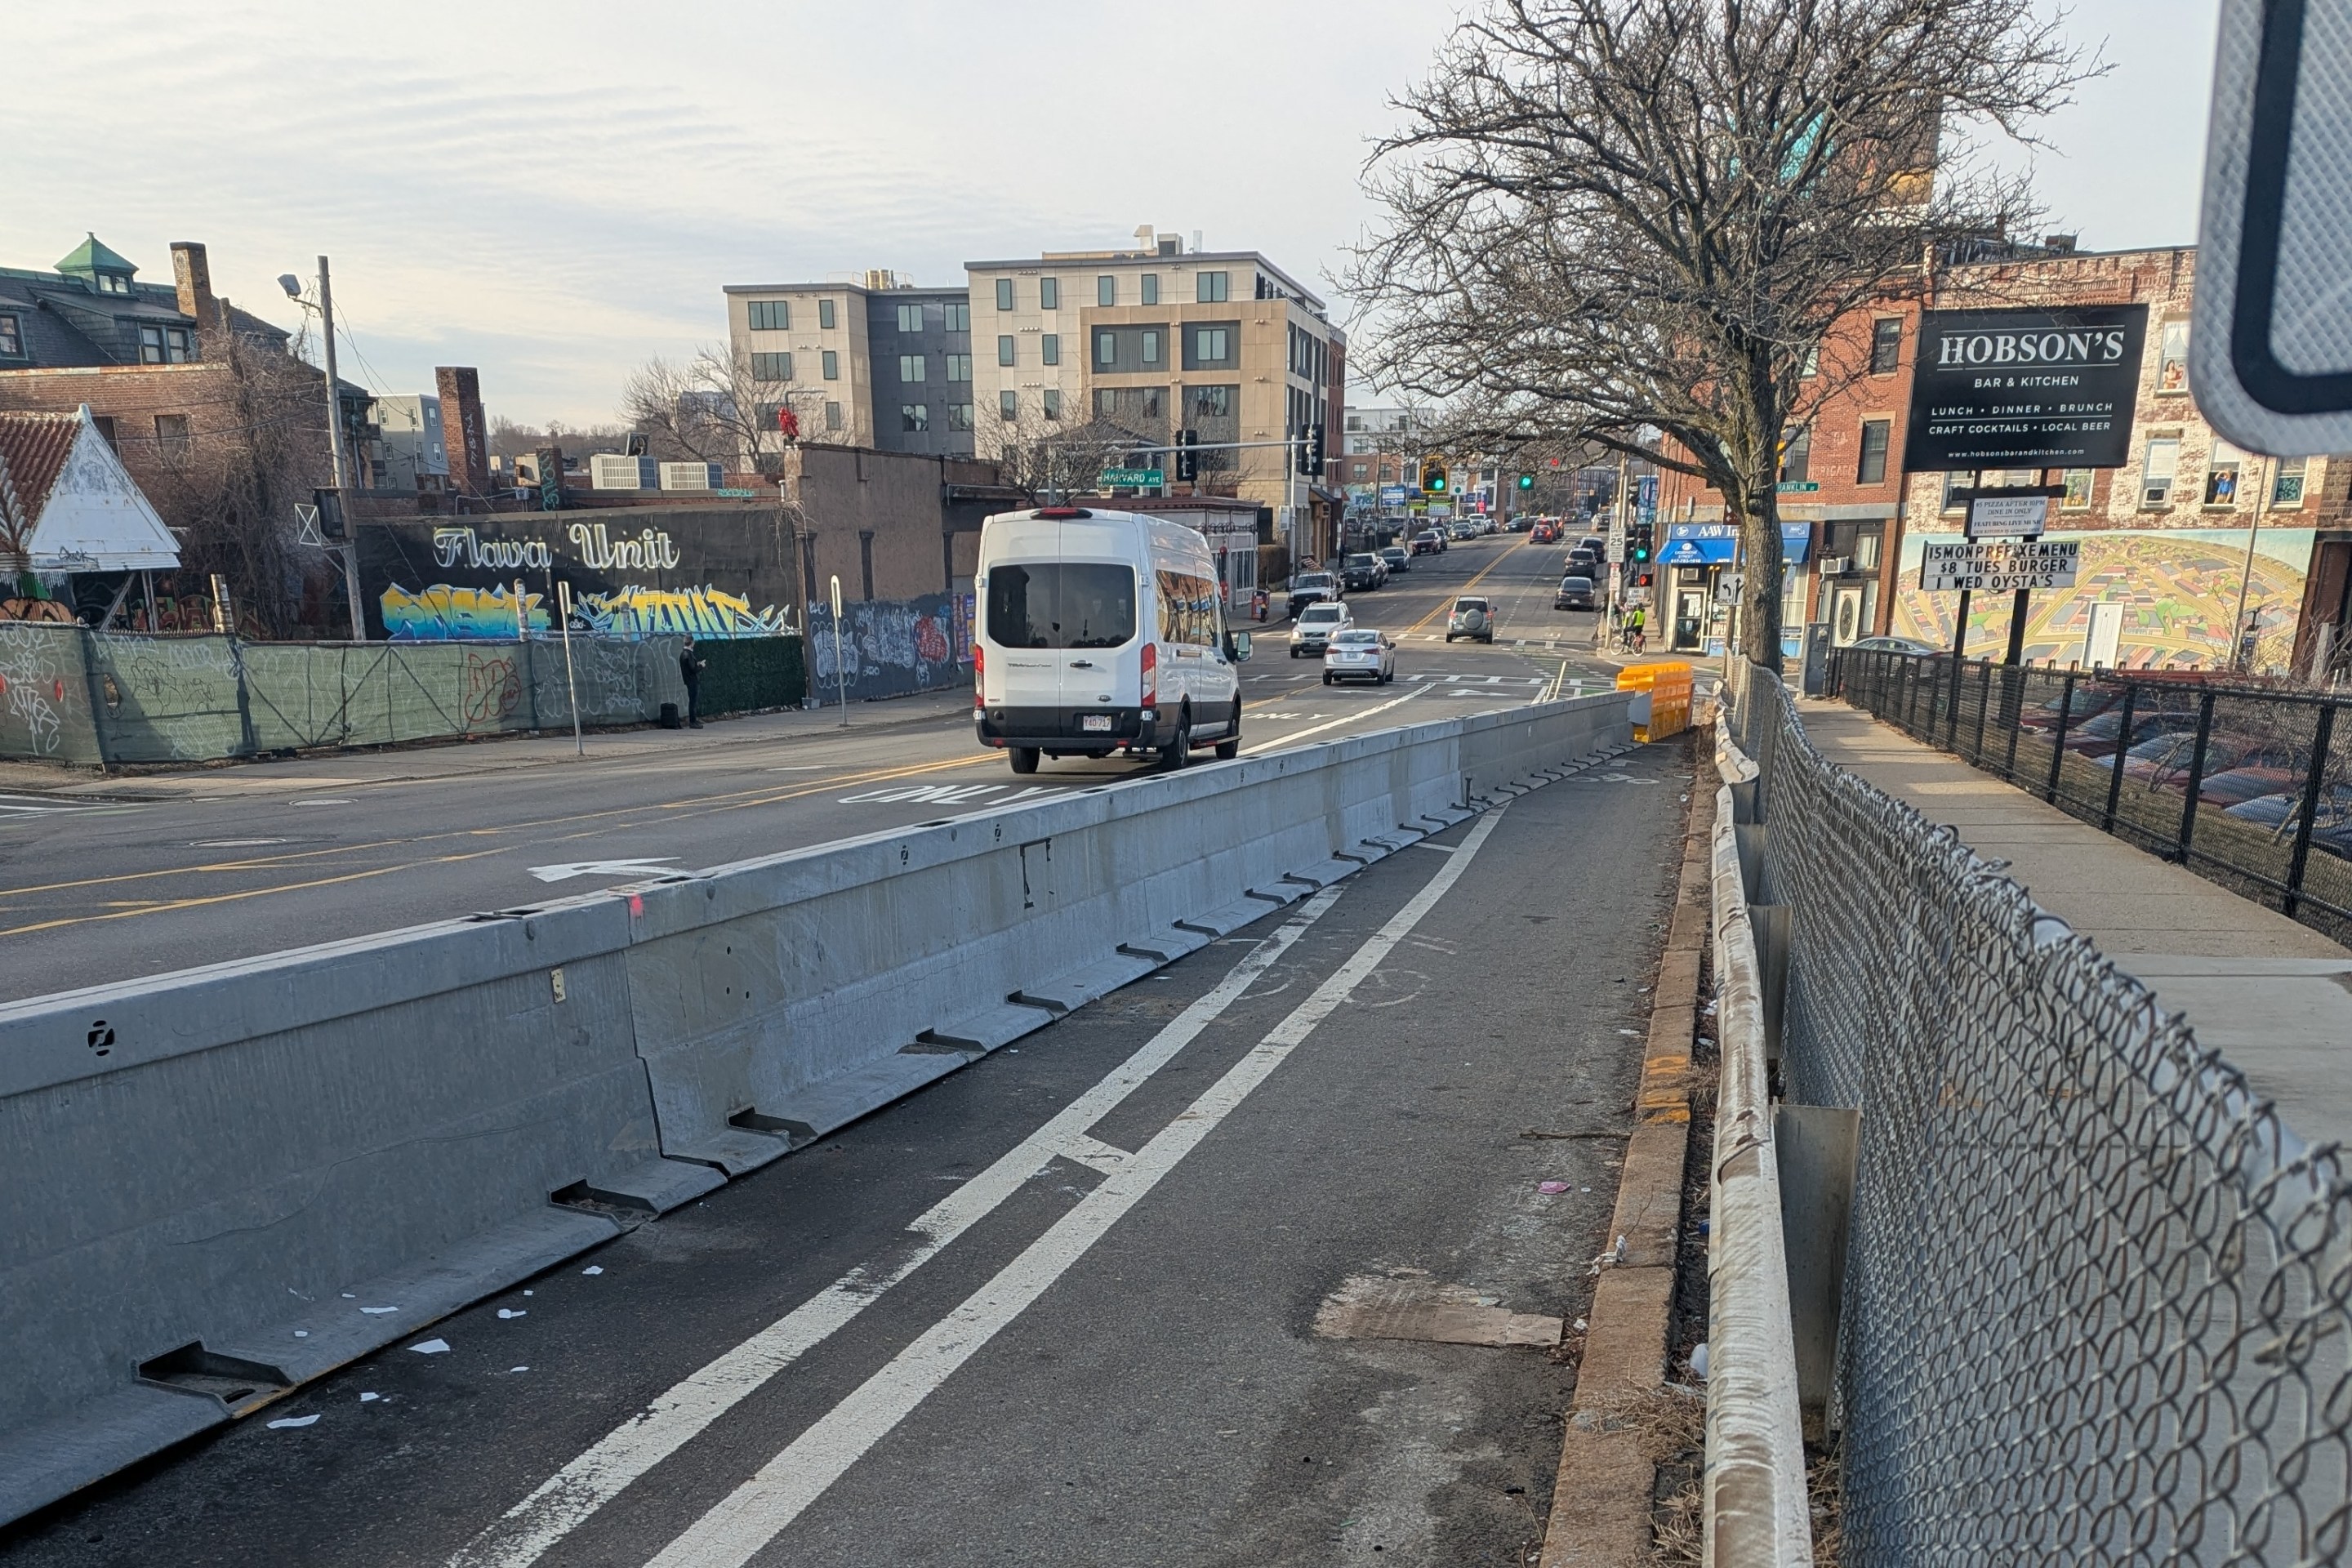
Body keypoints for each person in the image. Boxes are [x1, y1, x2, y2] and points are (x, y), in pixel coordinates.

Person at [679, 637, 707, 728]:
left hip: (689, 680)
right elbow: (693, 669)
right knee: (693, 702)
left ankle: (693, 720)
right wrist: (701, 666)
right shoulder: (688, 654)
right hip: (692, 681)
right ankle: (693, 721)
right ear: (692, 643)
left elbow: (690, 666)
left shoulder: (684, 654)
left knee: (693, 701)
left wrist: (697, 664)